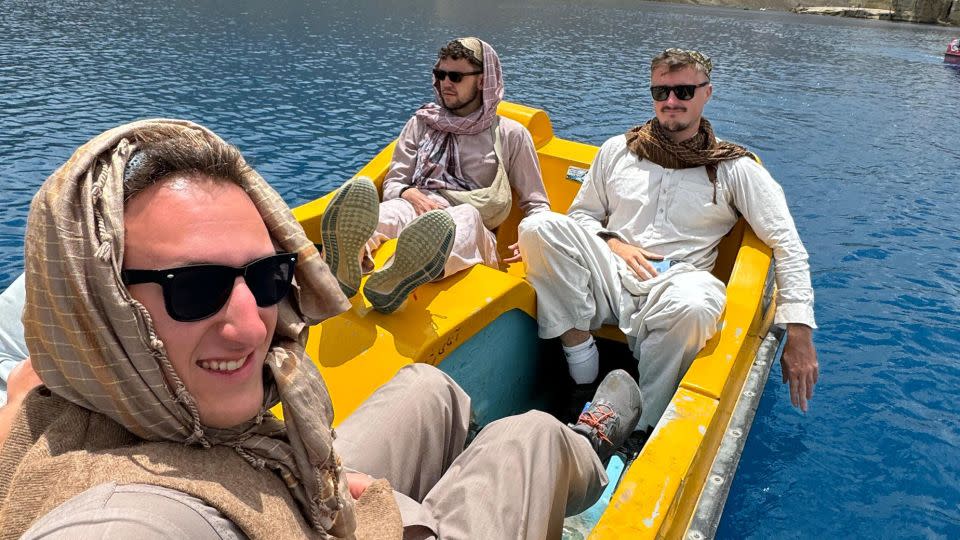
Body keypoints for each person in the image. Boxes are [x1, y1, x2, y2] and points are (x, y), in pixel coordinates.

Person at [0, 119, 643, 539]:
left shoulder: (47, 403)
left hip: (278, 483)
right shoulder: (123, 519)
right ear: (98, 310)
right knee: (526, 437)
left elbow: (529, 202)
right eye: (193, 288)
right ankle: (590, 448)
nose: (251, 324)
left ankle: (368, 272)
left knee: (428, 390)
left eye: (268, 277)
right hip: (272, 503)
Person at [517, 49, 820, 433]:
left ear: (706, 93)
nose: (671, 102)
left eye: (683, 91)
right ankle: (583, 368)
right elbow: (582, 216)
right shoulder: (618, 150)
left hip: (675, 282)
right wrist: (614, 243)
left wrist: (798, 331)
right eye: (661, 92)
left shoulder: (733, 167)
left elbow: (787, 242)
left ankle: (638, 426)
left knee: (697, 303)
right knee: (538, 226)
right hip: (610, 271)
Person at [322, 37, 549, 313]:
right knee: (387, 212)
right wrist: (407, 192)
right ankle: (346, 267)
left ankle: (398, 272)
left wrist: (531, 237)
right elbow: (394, 182)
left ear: (482, 80)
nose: (446, 83)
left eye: (455, 76)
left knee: (464, 216)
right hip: (416, 208)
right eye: (440, 74)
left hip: (473, 231)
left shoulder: (511, 135)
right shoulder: (422, 122)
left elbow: (537, 205)